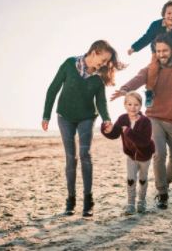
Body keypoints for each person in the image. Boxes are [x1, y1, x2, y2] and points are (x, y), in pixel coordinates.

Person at [113, 33, 172, 209]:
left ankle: (164, 183)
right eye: (158, 51)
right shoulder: (150, 69)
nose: (161, 54)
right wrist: (124, 89)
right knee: (159, 155)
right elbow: (138, 78)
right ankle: (163, 193)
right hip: (154, 118)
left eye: (165, 50)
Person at [42, 40, 124, 217]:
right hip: (65, 116)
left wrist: (107, 119)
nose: (103, 65)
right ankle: (70, 200)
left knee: (85, 155)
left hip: (87, 118)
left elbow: (100, 102)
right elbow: (53, 88)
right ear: (94, 52)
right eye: (102, 60)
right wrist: (46, 115)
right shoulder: (69, 64)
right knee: (71, 158)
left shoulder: (98, 77)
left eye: (105, 62)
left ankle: (88, 201)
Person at [101, 91, 155, 214]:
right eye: (129, 104)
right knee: (131, 179)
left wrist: (128, 132)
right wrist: (107, 130)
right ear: (125, 105)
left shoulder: (146, 121)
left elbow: (144, 142)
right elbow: (114, 134)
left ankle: (141, 201)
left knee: (142, 179)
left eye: (136, 104)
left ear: (140, 106)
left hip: (145, 156)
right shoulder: (122, 119)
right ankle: (130, 204)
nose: (132, 107)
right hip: (130, 155)